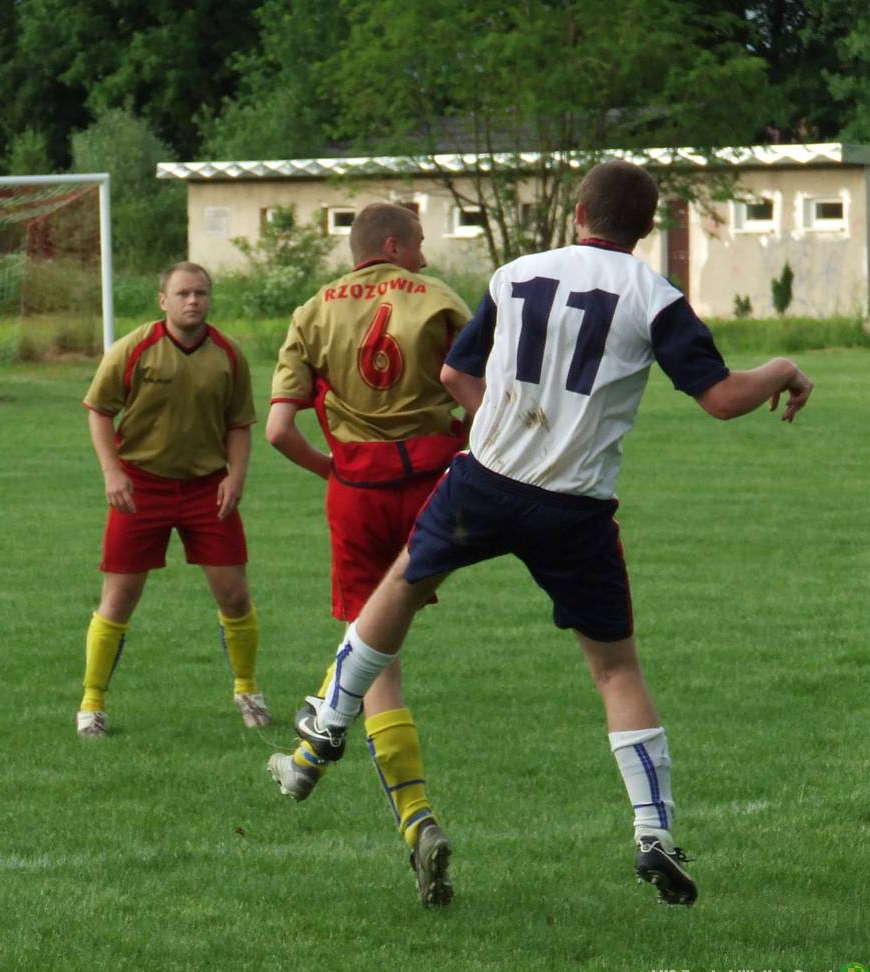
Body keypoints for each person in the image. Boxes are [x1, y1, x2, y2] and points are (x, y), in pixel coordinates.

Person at [272, 159, 813, 908]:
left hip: (487, 479)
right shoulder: (653, 295)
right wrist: (780, 366)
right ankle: (653, 833)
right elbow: (721, 400)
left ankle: (330, 720)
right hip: (574, 506)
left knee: (401, 584)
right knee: (615, 670)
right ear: (646, 227)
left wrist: (510, 421)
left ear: (578, 212)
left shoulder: (515, 274)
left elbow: (456, 377)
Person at [264, 202, 471, 905]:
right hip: (435, 488)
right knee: (378, 641)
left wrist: (333, 469)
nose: (424, 256)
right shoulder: (439, 298)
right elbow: (482, 392)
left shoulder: (313, 310)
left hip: (356, 493)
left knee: (375, 651)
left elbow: (277, 430)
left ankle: (411, 817)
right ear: (393, 243)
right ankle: (313, 753)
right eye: (419, 243)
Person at [76, 261, 268, 738]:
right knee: (119, 598)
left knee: (234, 594)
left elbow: (239, 423)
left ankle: (248, 691)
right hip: (141, 487)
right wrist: (112, 472)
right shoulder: (134, 348)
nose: (193, 301)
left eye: (201, 293)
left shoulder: (228, 354)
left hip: (207, 487)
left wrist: (236, 476)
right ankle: (92, 704)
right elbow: (98, 411)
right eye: (183, 293)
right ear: (163, 300)